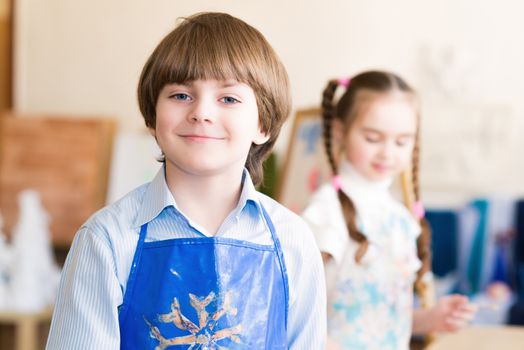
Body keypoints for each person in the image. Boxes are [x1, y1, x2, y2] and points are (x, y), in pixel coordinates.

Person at [46, 12, 326, 350]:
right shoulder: (105, 240)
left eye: (229, 99)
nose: (201, 112)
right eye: (181, 95)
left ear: (262, 124)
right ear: (153, 117)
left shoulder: (292, 240)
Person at [302, 71, 476, 349]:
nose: (388, 153)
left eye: (402, 141)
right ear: (340, 131)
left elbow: (384, 318)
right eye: (373, 138)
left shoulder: (401, 217)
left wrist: (430, 319)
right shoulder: (326, 212)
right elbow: (293, 309)